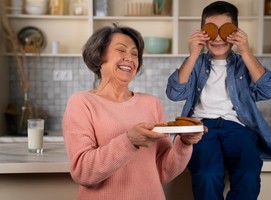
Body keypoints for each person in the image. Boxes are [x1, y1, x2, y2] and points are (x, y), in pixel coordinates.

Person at [63, 23, 206, 200]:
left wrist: (184, 143)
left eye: (134, 53)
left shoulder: (151, 103)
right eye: (121, 50)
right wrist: (129, 141)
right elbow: (83, 172)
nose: (129, 58)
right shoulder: (82, 103)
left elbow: (163, 171)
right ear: (99, 56)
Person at [165, 1, 271, 200]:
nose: (219, 38)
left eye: (225, 31)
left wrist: (245, 51)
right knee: (207, 173)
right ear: (203, 32)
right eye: (212, 31)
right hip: (201, 129)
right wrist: (194, 52)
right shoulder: (196, 63)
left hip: (238, 128)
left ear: (236, 33)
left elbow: (269, 89)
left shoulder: (243, 64)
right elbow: (174, 93)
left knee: (248, 172)